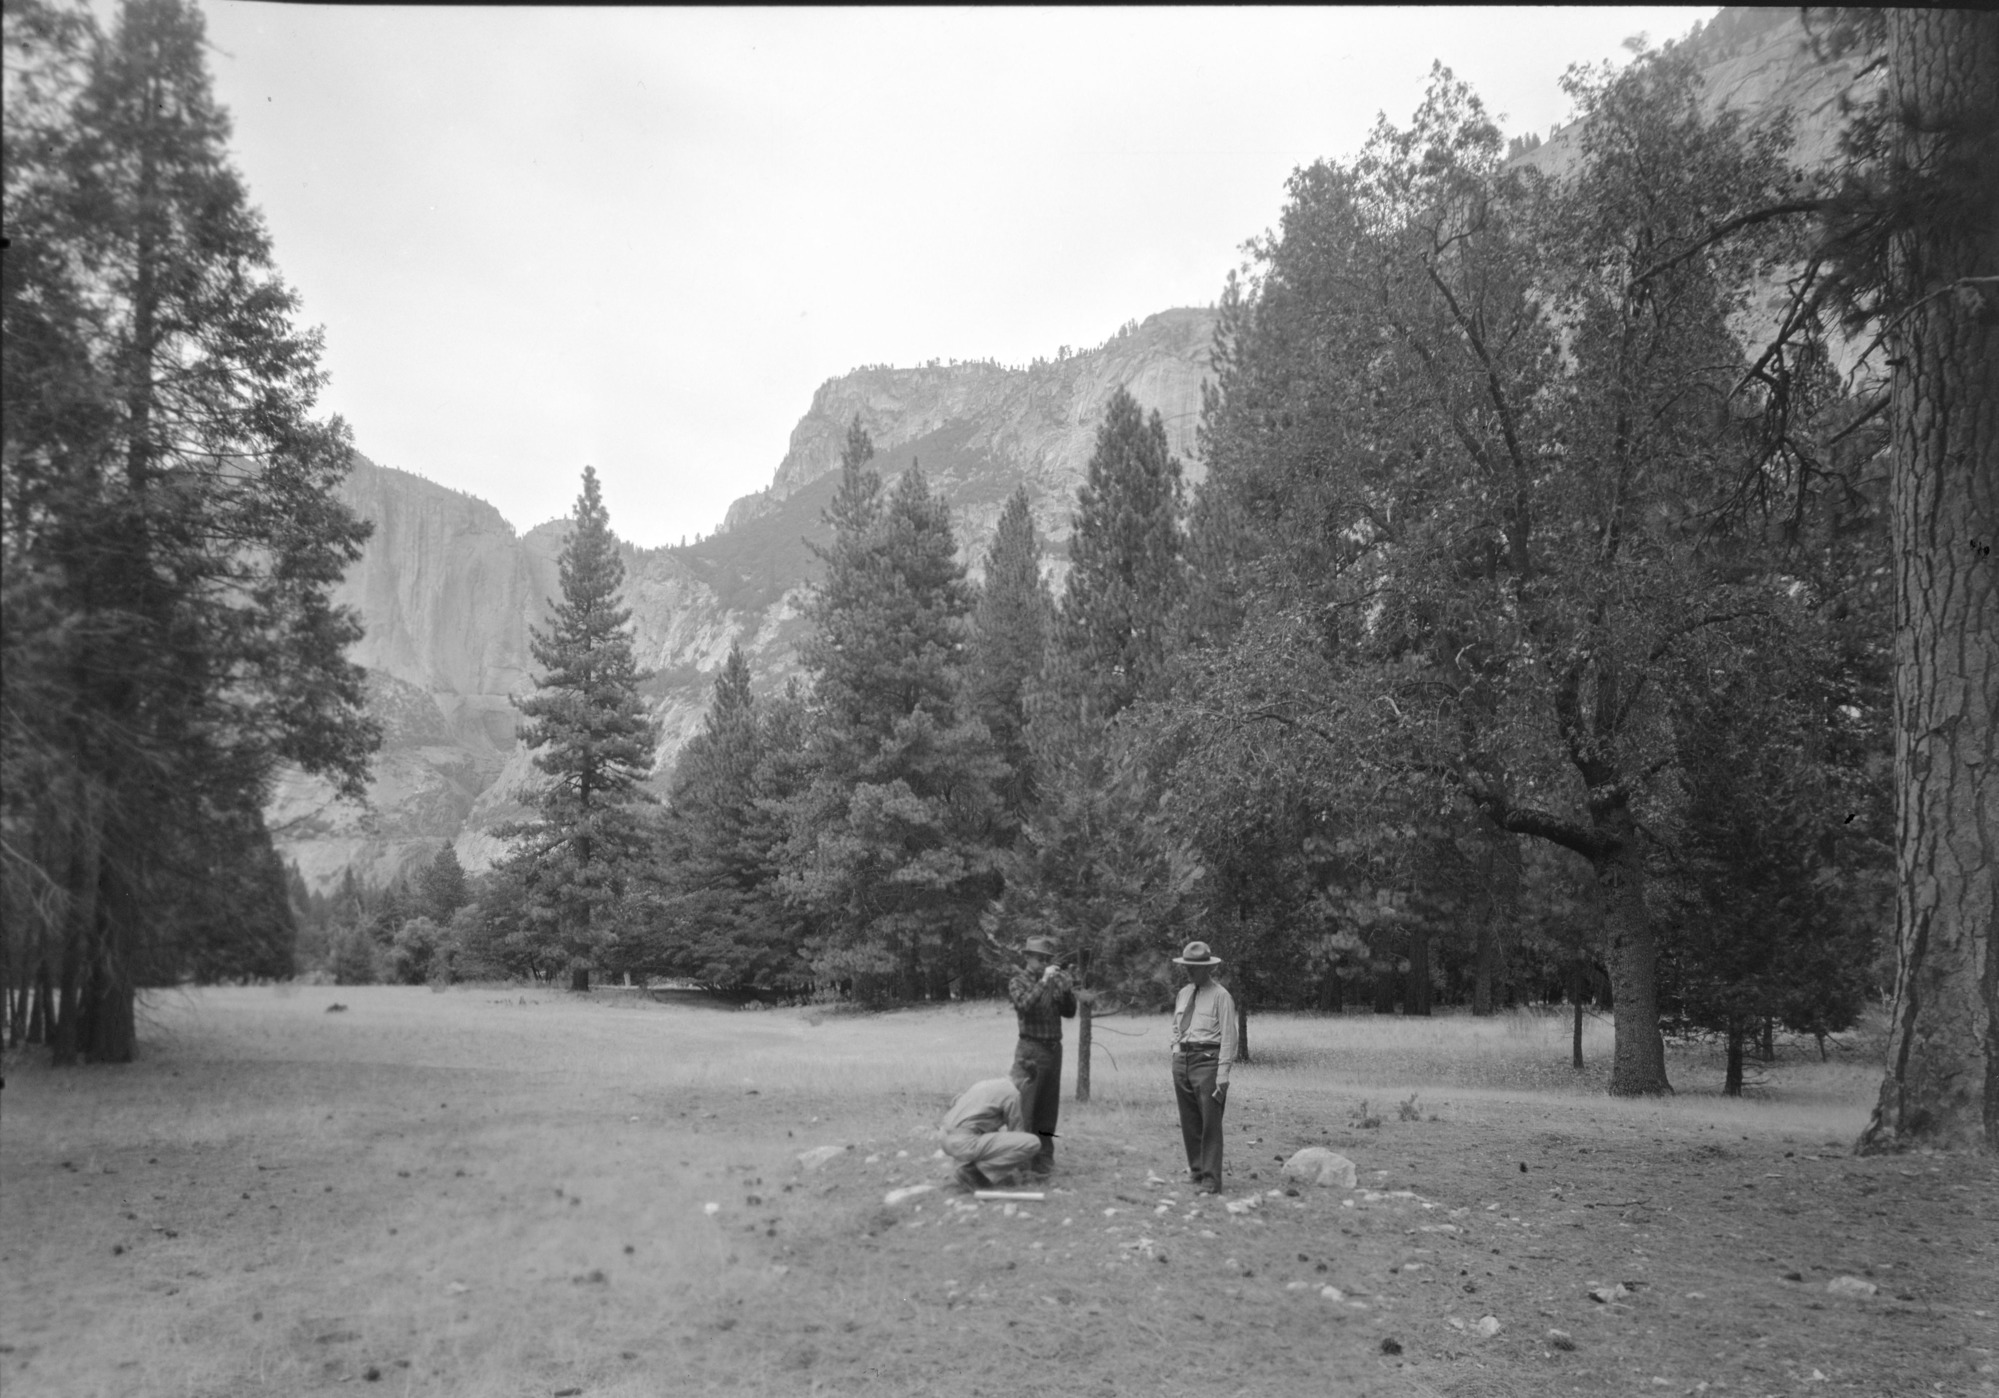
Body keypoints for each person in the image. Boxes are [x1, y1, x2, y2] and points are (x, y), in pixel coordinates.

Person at [1168, 939, 1238, 1194]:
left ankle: (1211, 1179)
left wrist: (1223, 1073)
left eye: (1194, 967)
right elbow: (1176, 1026)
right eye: (1186, 966)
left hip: (1207, 1061)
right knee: (1189, 1120)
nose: (1189, 971)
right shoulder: (1184, 993)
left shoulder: (1221, 996)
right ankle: (1196, 1171)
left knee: (1210, 1123)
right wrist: (1176, 1053)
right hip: (1183, 1060)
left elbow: (1229, 1037)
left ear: (1208, 969)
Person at [1007, 934, 1076, 1177]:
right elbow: (1024, 1005)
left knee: (1048, 1109)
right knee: (1025, 1108)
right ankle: (1021, 1162)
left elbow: (1069, 1012)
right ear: (1028, 958)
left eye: (1047, 960)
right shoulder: (1018, 981)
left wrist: (1067, 991)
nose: (1044, 964)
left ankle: (1044, 1160)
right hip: (1030, 1051)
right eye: (1040, 959)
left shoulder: (1054, 981)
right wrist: (1044, 982)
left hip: (1054, 1050)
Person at [940, 1066, 1042, 1191]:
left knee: (993, 1136)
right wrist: (1024, 1169)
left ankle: (968, 1169)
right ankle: (975, 1173)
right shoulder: (1012, 1092)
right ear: (1026, 1082)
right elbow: (1016, 1132)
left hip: (945, 1138)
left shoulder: (984, 1084)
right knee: (1032, 1142)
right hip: (964, 1143)